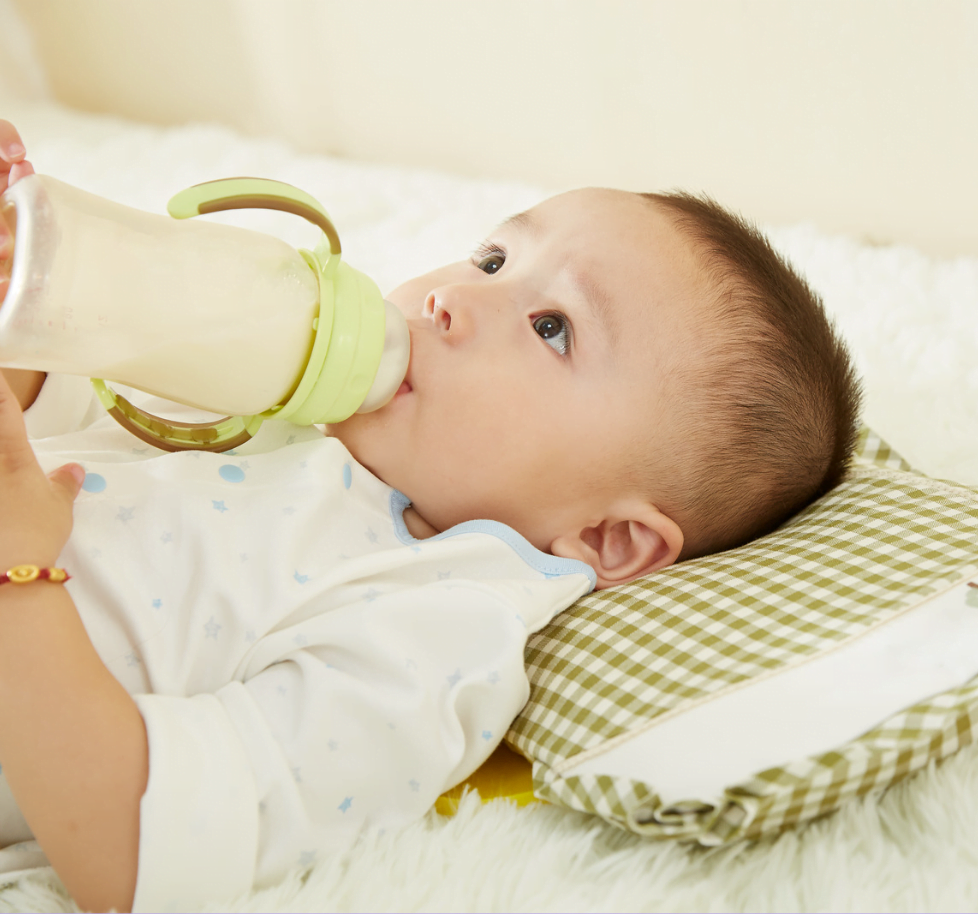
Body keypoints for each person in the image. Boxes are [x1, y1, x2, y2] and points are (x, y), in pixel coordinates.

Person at [0, 119, 862, 912]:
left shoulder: (439, 631)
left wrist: (23, 577)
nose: (450, 296)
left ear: (610, 537)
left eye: (552, 327)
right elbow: (84, 415)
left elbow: (136, 847)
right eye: (491, 259)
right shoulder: (298, 407)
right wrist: (27, 307)